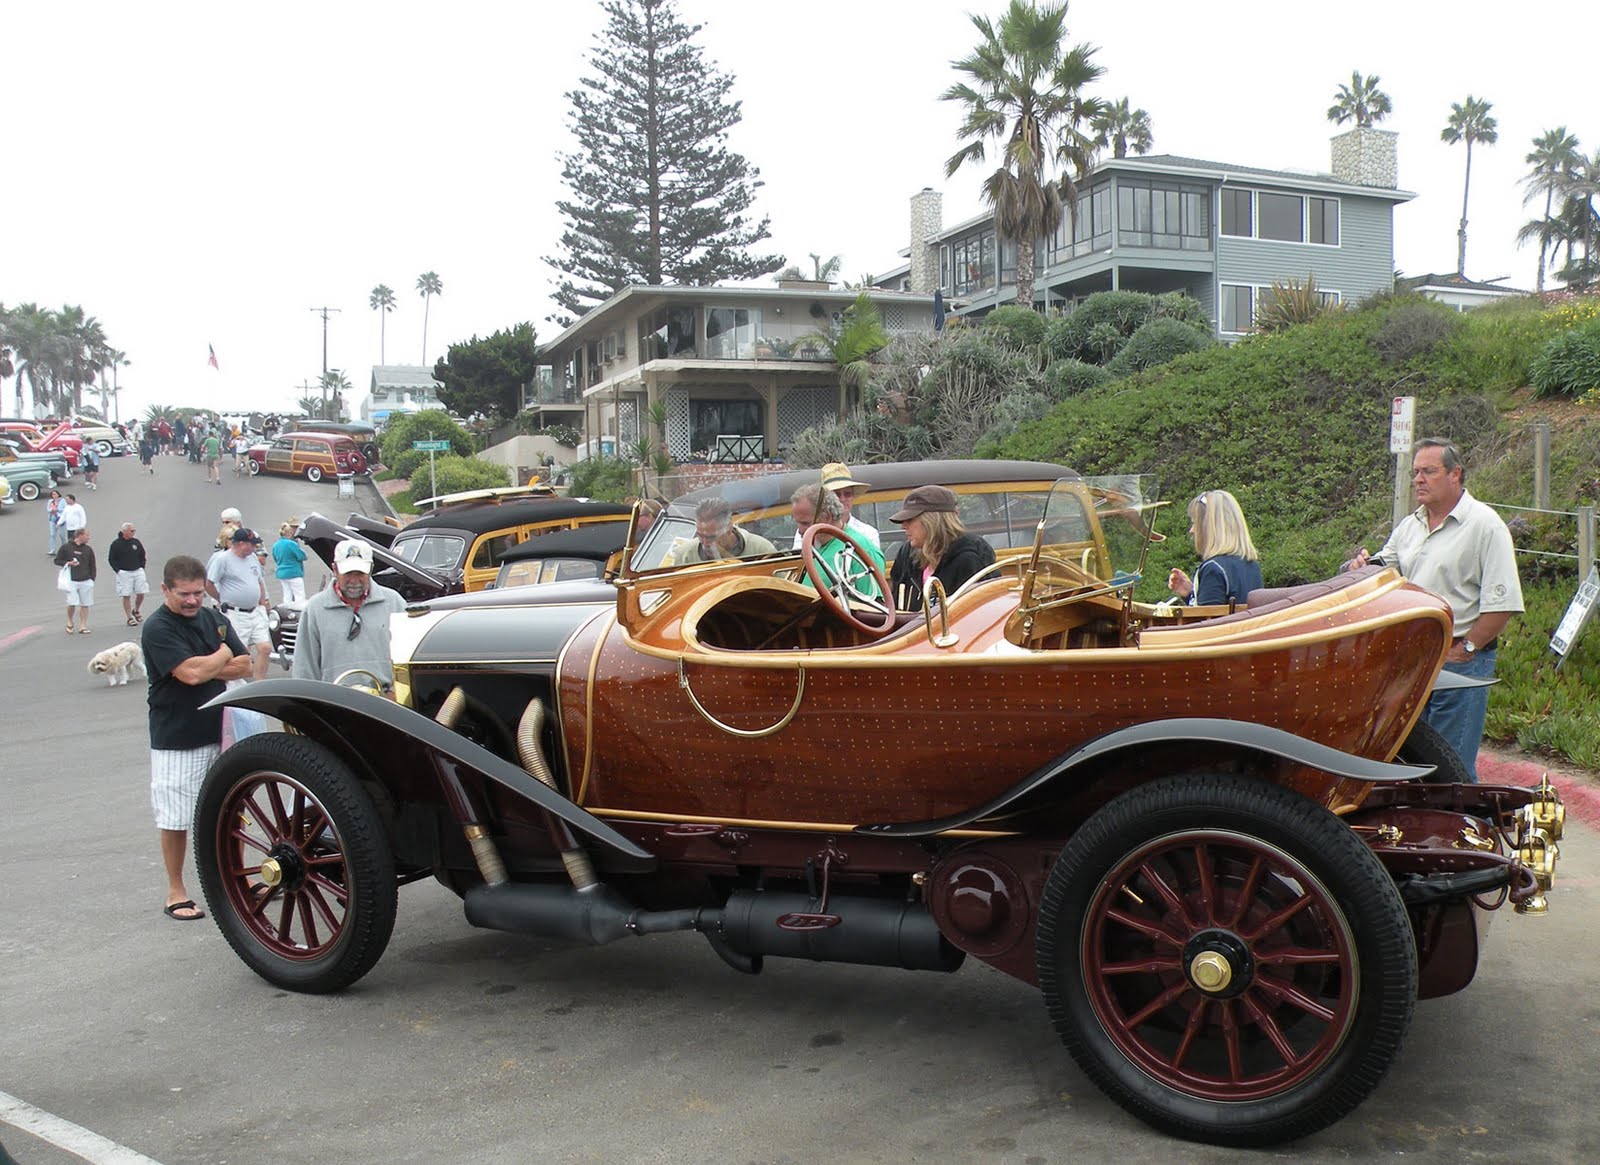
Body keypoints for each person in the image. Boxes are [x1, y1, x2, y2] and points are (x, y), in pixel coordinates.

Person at [1346, 437, 1523, 781]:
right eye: (1415, 472)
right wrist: (1359, 567)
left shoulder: (1486, 526)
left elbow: (1502, 604)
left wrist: (1467, 648)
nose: (1418, 480)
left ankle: (1465, 830)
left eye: (1429, 471)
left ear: (1456, 474)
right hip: (1413, 662)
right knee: (1415, 765)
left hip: (1461, 662)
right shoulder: (1410, 526)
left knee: (1451, 770)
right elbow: (1385, 568)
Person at [142, 554, 252, 921]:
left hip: (221, 729)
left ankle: (236, 879)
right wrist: (221, 653)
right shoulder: (158, 628)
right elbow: (189, 674)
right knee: (174, 817)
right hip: (178, 734)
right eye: (183, 594)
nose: (191, 601)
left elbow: (247, 663)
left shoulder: (212, 617)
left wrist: (209, 664)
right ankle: (176, 889)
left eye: (196, 594)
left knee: (230, 809)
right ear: (165, 590)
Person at [292, 539, 408, 688]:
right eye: (347, 573)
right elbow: (304, 668)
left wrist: (395, 692)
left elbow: (408, 658)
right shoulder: (314, 609)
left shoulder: (394, 603)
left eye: (360, 573)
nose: (354, 580)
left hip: (386, 701)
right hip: (334, 703)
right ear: (334, 569)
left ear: (371, 569)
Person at [887, 485, 996, 611]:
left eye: (910, 520)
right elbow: (895, 605)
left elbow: (977, 614)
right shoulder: (907, 554)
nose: (904, 526)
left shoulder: (969, 558)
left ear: (932, 521)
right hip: (910, 629)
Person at [1167, 489, 1263, 607]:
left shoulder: (1213, 569)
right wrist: (1190, 594)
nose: (1191, 530)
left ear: (1209, 528)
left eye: (1195, 523)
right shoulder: (1252, 566)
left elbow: (1206, 622)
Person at [792, 483, 886, 600]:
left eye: (805, 523)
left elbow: (874, 610)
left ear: (827, 517)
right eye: (797, 523)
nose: (800, 531)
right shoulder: (813, 548)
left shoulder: (861, 550)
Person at [206, 528, 273, 681]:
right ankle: (235, 682)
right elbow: (209, 583)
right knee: (239, 652)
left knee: (265, 647)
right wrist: (220, 599)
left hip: (255, 610)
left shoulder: (253, 558)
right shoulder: (223, 559)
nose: (254, 548)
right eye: (252, 544)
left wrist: (263, 602)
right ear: (242, 544)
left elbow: (259, 580)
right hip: (235, 612)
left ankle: (259, 682)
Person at [666, 498, 778, 564]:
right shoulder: (686, 556)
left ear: (729, 527)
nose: (704, 543)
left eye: (711, 537)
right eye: (700, 536)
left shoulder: (761, 551)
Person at [811, 462, 882, 550]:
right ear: (827, 499)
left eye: (847, 494)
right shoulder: (810, 531)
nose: (842, 499)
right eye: (836, 494)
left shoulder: (868, 533)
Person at [54, 527, 98, 634]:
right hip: (71, 580)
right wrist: (68, 563)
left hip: (86, 580)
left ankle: (83, 625)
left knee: (85, 603)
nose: (88, 537)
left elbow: (93, 565)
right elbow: (57, 560)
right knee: (71, 602)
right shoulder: (66, 547)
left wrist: (92, 579)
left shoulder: (88, 549)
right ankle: (70, 621)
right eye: (87, 535)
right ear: (80, 535)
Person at [108, 521, 151, 625]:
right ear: (125, 531)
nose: (133, 532)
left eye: (134, 530)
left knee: (141, 592)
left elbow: (142, 555)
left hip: (137, 570)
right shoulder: (116, 544)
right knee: (126, 594)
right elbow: (111, 559)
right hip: (124, 573)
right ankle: (129, 618)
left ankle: (136, 610)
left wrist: (142, 566)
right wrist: (118, 570)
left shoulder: (136, 542)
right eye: (131, 531)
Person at [272, 519, 308, 604]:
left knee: (287, 595)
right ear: (289, 533)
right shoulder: (291, 544)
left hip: (282, 574)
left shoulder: (275, 545)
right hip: (294, 573)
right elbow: (302, 556)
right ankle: (299, 614)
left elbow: (275, 558)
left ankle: (287, 612)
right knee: (299, 596)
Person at [46, 487, 66, 555]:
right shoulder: (50, 501)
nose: (53, 495)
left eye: (55, 494)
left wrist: (57, 510)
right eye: (52, 494)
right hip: (52, 519)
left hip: (60, 519)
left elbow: (64, 509)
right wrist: (51, 510)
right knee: (52, 535)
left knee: (62, 535)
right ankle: (52, 549)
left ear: (58, 494)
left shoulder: (62, 501)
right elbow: (48, 509)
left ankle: (64, 548)